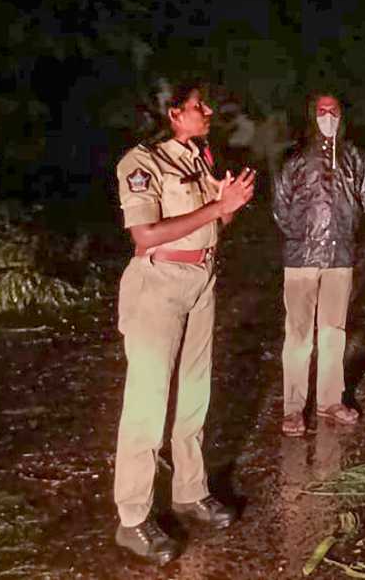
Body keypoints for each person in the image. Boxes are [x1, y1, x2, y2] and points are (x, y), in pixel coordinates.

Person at [112, 81, 255, 564]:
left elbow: (210, 224)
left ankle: (190, 491)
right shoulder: (141, 162)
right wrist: (217, 206)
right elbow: (145, 232)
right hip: (159, 284)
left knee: (196, 392)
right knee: (148, 403)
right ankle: (132, 519)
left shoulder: (198, 157)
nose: (208, 111)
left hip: (201, 279)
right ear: (173, 113)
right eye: (199, 106)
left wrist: (228, 207)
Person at [272, 93, 365, 437]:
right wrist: (303, 237)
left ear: (342, 116)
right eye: (321, 111)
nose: (327, 116)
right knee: (298, 334)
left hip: (339, 257)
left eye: (332, 111)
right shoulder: (296, 159)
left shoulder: (354, 158)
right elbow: (280, 206)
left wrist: (343, 230)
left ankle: (330, 400)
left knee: (334, 332)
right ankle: (293, 408)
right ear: (311, 115)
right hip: (301, 259)